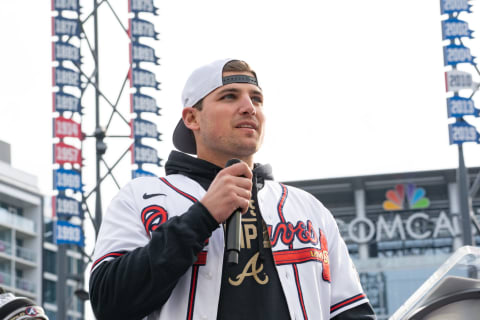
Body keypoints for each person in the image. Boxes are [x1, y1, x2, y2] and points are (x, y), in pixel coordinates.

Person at [89, 59, 376, 320]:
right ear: (192, 118)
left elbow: (351, 313)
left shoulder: (308, 208)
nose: (249, 107)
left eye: (257, 99)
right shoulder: (141, 197)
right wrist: (201, 217)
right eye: (229, 96)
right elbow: (108, 303)